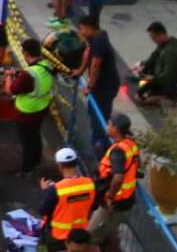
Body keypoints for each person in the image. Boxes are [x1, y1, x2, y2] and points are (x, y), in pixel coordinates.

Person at [89, 113, 139, 250]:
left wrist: (110, 196)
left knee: (90, 235)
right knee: (111, 231)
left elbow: (118, 177)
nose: (107, 126)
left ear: (115, 128)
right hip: (126, 199)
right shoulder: (130, 144)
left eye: (109, 124)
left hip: (114, 201)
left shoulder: (118, 151)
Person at [10, 38, 54, 174]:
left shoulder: (28, 75)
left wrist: (8, 78)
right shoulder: (47, 66)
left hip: (26, 113)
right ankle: (36, 162)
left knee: (26, 142)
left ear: (26, 53)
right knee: (35, 137)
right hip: (41, 110)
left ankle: (25, 169)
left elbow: (12, 89)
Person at [39, 147, 96, 251]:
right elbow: (93, 206)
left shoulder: (55, 189)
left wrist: (44, 191)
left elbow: (43, 210)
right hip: (80, 235)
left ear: (60, 165)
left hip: (59, 236)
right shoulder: (90, 184)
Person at [75, 16, 120, 121]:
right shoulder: (97, 36)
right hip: (101, 85)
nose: (80, 32)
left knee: (99, 117)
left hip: (105, 87)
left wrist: (90, 87)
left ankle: (101, 136)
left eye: (82, 29)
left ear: (89, 27)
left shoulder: (99, 41)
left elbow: (95, 66)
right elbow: (88, 52)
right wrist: (80, 71)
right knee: (93, 112)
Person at [130, 21, 177, 106]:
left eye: (154, 38)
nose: (153, 40)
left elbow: (169, 76)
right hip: (158, 76)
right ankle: (163, 95)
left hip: (166, 83)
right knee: (139, 94)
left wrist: (153, 79)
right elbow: (153, 57)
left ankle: (167, 98)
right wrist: (143, 66)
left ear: (161, 34)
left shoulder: (171, 52)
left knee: (139, 98)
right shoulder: (163, 44)